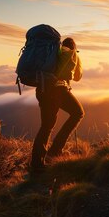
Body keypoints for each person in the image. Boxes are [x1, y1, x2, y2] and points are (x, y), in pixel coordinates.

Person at [30, 37, 84, 173]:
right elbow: (77, 77)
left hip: (42, 89)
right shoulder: (72, 54)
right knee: (78, 113)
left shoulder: (53, 53)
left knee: (46, 126)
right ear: (73, 46)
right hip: (59, 90)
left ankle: (36, 165)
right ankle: (55, 151)